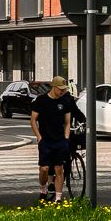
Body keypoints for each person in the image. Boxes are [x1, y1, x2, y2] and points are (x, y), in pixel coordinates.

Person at [30, 75, 76, 205]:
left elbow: (67, 122)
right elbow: (33, 120)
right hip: (45, 140)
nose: (62, 91)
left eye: (64, 89)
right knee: (44, 169)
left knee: (59, 169)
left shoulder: (64, 102)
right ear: (53, 87)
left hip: (60, 141)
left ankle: (58, 198)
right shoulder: (41, 100)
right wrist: (39, 137)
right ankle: (43, 189)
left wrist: (66, 139)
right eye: (60, 89)